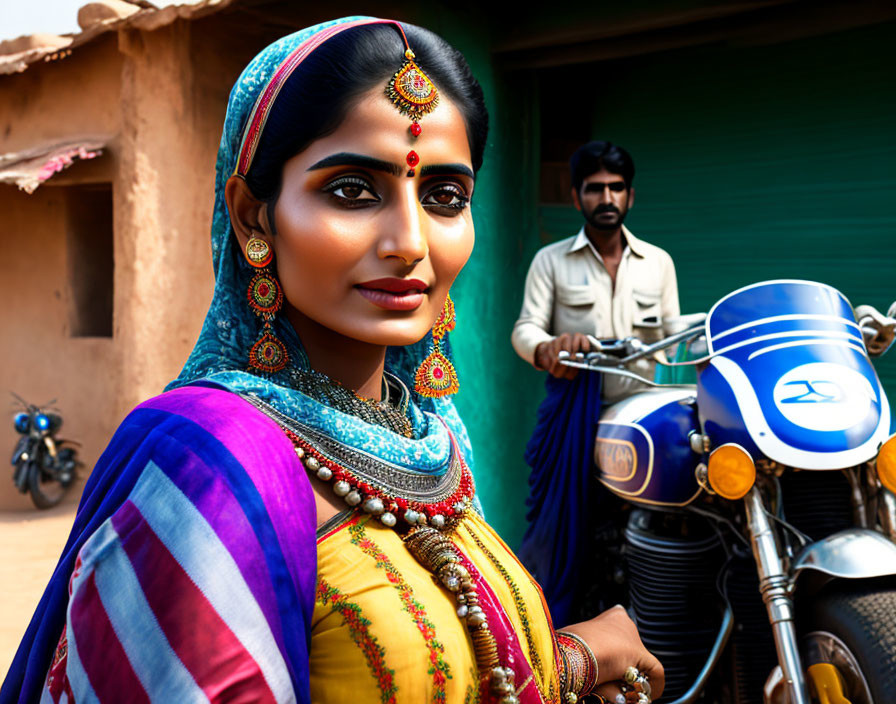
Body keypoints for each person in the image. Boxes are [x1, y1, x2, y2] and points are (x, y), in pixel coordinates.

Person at [1, 18, 663, 704]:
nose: (410, 243)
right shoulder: (211, 465)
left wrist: (571, 661)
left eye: (444, 197)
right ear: (255, 216)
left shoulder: (433, 441)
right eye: (353, 190)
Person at [511, 140, 679, 403]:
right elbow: (526, 328)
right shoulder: (549, 260)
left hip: (645, 408)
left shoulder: (659, 262)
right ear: (577, 198)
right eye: (595, 189)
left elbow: (675, 338)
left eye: (616, 188)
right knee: (544, 447)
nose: (607, 199)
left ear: (630, 197)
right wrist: (546, 348)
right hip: (574, 405)